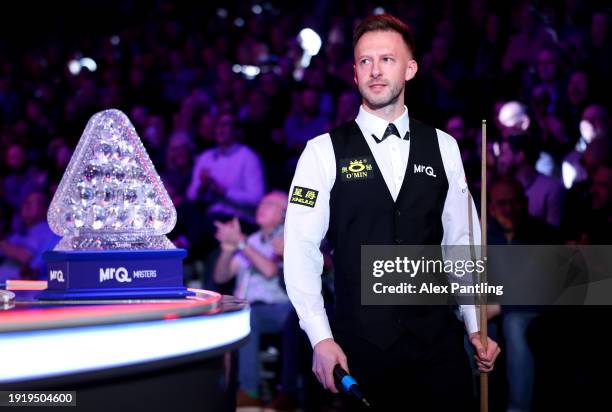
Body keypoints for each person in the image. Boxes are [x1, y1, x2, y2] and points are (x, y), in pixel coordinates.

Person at [284, 14, 500, 411]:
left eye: (387, 59)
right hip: (361, 348)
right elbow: (299, 251)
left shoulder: (444, 147)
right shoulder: (322, 151)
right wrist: (320, 337)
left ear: (410, 68)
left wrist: (475, 324)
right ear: (353, 73)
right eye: (365, 61)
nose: (375, 70)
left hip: (438, 345)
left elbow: (461, 245)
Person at [212, 191, 296, 410]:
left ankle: (250, 391)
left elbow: (269, 270)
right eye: (261, 203)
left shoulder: (289, 238)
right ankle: (224, 389)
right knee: (226, 318)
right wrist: (228, 251)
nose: (261, 207)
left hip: (280, 307)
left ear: (284, 214)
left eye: (269, 204)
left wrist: (240, 243)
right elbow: (221, 276)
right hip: (250, 308)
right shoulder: (251, 241)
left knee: (250, 318)